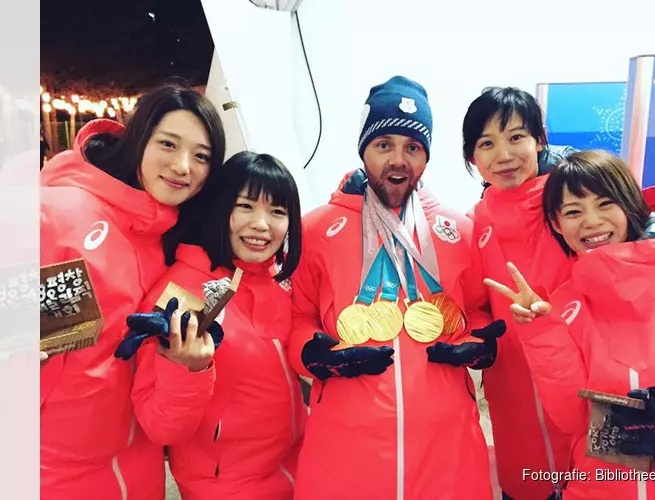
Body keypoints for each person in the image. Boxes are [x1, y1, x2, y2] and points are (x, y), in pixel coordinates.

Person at [289, 76, 504, 500]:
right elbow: (298, 315)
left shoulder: (458, 229)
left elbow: (478, 308)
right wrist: (310, 354)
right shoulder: (315, 229)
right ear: (364, 149)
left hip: (446, 441)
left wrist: (479, 341)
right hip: (347, 441)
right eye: (384, 145)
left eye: (412, 147)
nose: (398, 160)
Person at [486, 150, 655, 499]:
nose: (590, 221)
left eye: (605, 204)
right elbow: (575, 420)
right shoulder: (565, 302)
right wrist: (541, 329)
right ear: (556, 225)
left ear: (632, 205)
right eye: (573, 212)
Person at [40, 82, 226, 500]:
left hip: (138, 467)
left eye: (201, 156)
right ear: (139, 138)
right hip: (54, 471)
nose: (182, 166)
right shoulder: (60, 214)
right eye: (167, 144)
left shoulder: (167, 239)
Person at [121, 150, 307, 500]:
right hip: (227, 487)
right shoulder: (182, 294)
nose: (262, 224)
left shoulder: (276, 280)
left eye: (278, 211)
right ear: (220, 208)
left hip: (296, 469)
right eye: (245, 206)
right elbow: (159, 425)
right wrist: (189, 368)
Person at [463, 86, 576, 499]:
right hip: (510, 383)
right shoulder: (474, 221)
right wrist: (477, 335)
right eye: (486, 143)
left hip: (577, 373)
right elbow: (472, 303)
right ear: (472, 156)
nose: (503, 155)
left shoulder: (571, 202)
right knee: (523, 485)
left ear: (539, 140)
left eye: (516, 137)